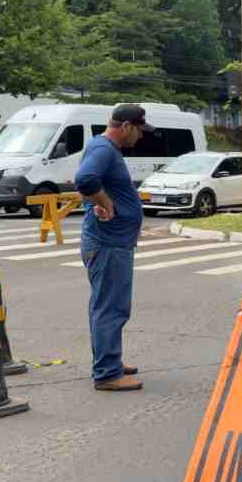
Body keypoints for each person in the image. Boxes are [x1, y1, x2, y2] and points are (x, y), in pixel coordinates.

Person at [75, 104, 152, 391]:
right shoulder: (104, 149)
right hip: (107, 244)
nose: (141, 138)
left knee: (108, 305)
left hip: (111, 243)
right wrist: (105, 204)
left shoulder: (104, 148)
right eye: (140, 131)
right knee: (110, 308)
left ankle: (111, 362)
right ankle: (107, 373)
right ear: (127, 126)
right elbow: (84, 180)